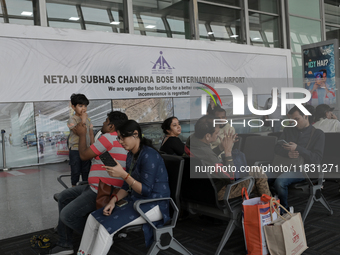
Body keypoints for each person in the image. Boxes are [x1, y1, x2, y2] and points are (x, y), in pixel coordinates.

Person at [77, 120, 170, 255]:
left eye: (122, 138)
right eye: (118, 138)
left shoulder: (149, 155)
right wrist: (113, 201)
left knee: (105, 227)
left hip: (154, 204)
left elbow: (145, 190)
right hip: (137, 201)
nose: (120, 142)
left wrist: (123, 174)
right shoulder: (131, 155)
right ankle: (82, 253)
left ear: (135, 134)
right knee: (93, 218)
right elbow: (126, 186)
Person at [49, 111, 128, 255]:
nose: (103, 123)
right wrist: (90, 135)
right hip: (98, 186)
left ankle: (101, 235)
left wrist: (81, 135)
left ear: (111, 126)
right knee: (64, 196)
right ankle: (65, 242)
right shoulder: (116, 140)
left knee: (67, 215)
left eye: (106, 121)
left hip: (101, 190)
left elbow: (84, 155)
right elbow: (104, 158)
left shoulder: (108, 138)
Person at [186, 115, 271, 200]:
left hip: (199, 189)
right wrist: (227, 151)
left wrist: (220, 147)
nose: (219, 134)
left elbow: (206, 157)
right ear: (207, 136)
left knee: (255, 171)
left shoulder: (192, 140)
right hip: (219, 192)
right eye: (216, 133)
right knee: (259, 175)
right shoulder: (208, 155)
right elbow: (230, 178)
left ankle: (260, 208)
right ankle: (272, 208)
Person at [270, 106, 325, 210]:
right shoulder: (288, 130)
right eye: (292, 120)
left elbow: (317, 159)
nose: (294, 123)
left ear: (306, 116)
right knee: (262, 178)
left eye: (297, 119)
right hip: (284, 165)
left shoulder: (318, 134)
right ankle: (271, 207)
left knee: (280, 182)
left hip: (304, 169)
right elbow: (276, 148)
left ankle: (283, 211)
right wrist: (288, 154)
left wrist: (298, 148)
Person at [67, 93, 94, 186]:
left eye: (85, 106)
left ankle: (85, 188)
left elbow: (91, 134)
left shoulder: (88, 120)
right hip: (75, 150)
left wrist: (93, 147)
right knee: (76, 171)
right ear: (73, 107)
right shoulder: (72, 119)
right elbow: (79, 132)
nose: (83, 108)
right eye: (80, 106)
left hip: (86, 149)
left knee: (86, 171)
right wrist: (83, 120)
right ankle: (74, 189)